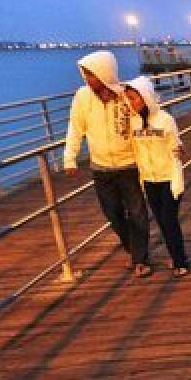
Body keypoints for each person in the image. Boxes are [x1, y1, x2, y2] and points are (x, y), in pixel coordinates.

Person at [64, 51, 151, 277]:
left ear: (104, 73)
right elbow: (75, 128)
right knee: (113, 214)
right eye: (85, 74)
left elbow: (147, 117)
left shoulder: (126, 95)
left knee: (138, 212)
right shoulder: (82, 97)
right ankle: (133, 249)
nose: (86, 79)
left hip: (129, 165)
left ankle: (141, 258)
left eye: (91, 74)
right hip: (101, 168)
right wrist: (69, 157)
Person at [124, 76, 190, 277]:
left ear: (146, 97)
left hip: (168, 178)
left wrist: (177, 179)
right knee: (162, 221)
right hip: (149, 181)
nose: (132, 103)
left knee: (169, 220)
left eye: (135, 98)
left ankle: (181, 261)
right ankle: (175, 255)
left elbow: (176, 148)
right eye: (129, 99)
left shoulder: (165, 119)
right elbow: (134, 150)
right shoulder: (133, 123)